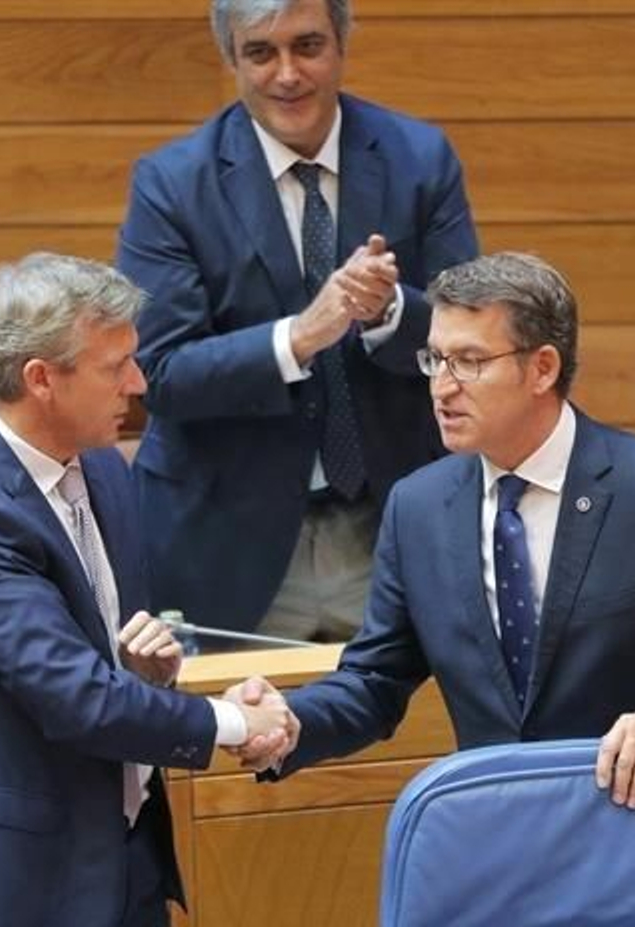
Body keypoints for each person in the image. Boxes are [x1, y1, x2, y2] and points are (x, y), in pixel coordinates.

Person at [230, 252, 635, 809]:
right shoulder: (419, 507)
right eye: (435, 359)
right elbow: (375, 680)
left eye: (469, 361)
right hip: (503, 847)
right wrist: (291, 721)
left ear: (542, 367)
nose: (442, 386)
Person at [0, 253, 294, 927]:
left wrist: (148, 673)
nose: (139, 385)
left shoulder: (103, 467)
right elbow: (76, 698)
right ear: (42, 378)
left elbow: (92, 661)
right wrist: (233, 722)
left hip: (122, 866)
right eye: (118, 366)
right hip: (13, 904)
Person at [116, 0, 478, 644]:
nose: (287, 73)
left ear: (340, 44)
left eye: (307, 46)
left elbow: (472, 331)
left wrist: (389, 311)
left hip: (388, 524)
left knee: (411, 737)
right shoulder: (172, 184)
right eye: (260, 52)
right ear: (232, 59)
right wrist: (302, 335)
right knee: (236, 740)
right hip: (229, 541)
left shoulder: (419, 158)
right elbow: (161, 373)